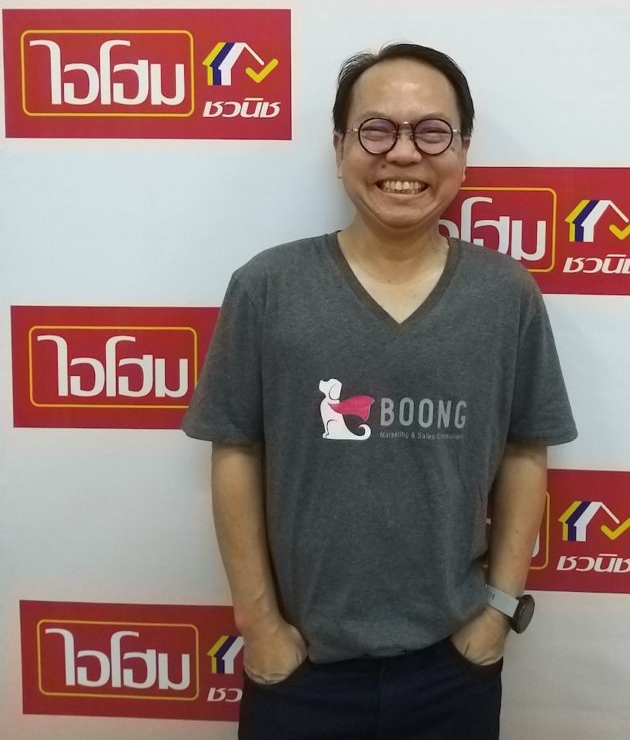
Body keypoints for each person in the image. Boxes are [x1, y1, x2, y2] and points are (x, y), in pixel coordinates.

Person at [182, 42, 577, 740]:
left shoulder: (505, 294)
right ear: (339, 148)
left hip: (453, 667)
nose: (403, 153)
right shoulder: (268, 287)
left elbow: (524, 450)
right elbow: (236, 450)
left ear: (463, 152)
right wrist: (259, 625)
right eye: (376, 130)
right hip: (300, 670)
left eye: (431, 132)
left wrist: (495, 614)